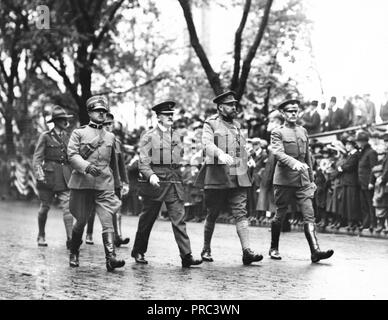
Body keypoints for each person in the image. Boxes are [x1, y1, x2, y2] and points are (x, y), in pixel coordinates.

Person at [131, 100, 202, 268]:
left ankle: (186, 255)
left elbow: (178, 159)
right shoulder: (149, 136)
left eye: (172, 115)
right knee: (147, 219)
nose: (171, 117)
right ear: (159, 117)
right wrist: (150, 176)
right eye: (167, 115)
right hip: (155, 184)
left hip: (174, 182)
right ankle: (139, 250)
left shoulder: (176, 135)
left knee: (179, 219)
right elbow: (143, 162)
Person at [195, 91, 263, 265]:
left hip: (238, 173)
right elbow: (207, 144)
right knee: (213, 213)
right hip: (217, 175)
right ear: (220, 107)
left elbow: (240, 147)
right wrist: (220, 154)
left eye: (235, 105)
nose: (234, 108)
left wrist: (249, 157)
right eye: (230, 105)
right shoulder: (210, 124)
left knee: (241, 212)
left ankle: (247, 251)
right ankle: (206, 248)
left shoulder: (237, 126)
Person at [269, 99, 334, 263]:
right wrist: (294, 163)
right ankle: (274, 247)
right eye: (289, 111)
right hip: (284, 180)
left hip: (303, 180)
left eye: (295, 111)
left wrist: (311, 179)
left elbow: (308, 157)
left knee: (309, 214)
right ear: (283, 114)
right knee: (280, 214)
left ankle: (315, 251)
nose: (293, 114)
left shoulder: (303, 131)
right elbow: (278, 153)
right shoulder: (278, 132)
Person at [67, 95, 125, 272]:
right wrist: (86, 166)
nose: (101, 114)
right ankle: (74, 252)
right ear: (90, 112)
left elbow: (114, 163)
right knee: (81, 221)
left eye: (104, 111)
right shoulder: (79, 133)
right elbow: (72, 155)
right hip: (83, 183)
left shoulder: (110, 137)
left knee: (107, 219)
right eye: (98, 111)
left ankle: (111, 258)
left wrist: (118, 183)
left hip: (104, 184)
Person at [84, 112, 130, 247]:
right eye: (106, 124)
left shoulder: (117, 142)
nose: (109, 126)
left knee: (117, 207)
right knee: (92, 208)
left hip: (114, 180)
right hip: (98, 179)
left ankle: (118, 236)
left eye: (110, 124)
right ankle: (89, 233)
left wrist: (125, 181)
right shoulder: (96, 140)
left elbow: (121, 164)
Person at [32, 106, 74, 248]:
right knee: (45, 207)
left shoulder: (68, 137)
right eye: (62, 119)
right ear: (56, 121)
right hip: (48, 177)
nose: (65, 122)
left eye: (66, 119)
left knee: (68, 207)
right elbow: (37, 158)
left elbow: (72, 157)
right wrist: (39, 174)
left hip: (64, 177)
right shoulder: (45, 136)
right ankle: (41, 234)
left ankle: (70, 239)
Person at [356, 130, 378, 233]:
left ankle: (373, 224)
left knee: (370, 204)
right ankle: (366, 224)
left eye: (360, 141)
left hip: (368, 183)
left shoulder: (371, 152)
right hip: (362, 183)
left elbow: (374, 169)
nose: (358, 143)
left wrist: (371, 182)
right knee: (364, 205)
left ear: (364, 142)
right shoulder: (363, 152)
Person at [338, 136, 361, 231]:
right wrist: (343, 167)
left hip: (352, 182)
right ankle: (350, 222)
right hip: (347, 182)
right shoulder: (350, 155)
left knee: (352, 203)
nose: (347, 146)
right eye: (346, 145)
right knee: (347, 203)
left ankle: (353, 222)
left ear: (353, 145)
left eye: (349, 145)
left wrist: (342, 168)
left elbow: (350, 166)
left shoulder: (356, 154)